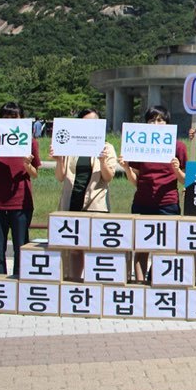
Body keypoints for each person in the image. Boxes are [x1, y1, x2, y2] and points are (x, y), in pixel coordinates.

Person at [120, 105, 188, 283]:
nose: (156, 124)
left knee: (165, 247)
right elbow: (136, 180)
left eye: (160, 120)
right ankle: (140, 282)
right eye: (151, 120)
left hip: (167, 203)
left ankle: (156, 281)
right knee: (141, 247)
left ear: (167, 123)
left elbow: (185, 180)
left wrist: (176, 170)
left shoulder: (178, 147)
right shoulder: (140, 144)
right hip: (142, 202)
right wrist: (126, 168)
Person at [0, 101, 41, 276]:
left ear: (22, 118)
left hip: (20, 202)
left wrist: (26, 164)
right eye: (6, 117)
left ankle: (19, 287)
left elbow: (35, 174)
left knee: (21, 249)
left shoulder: (30, 141)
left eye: (14, 117)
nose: (10, 120)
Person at [52, 108, 117, 279]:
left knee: (93, 247)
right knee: (75, 248)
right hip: (72, 201)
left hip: (95, 204)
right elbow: (60, 176)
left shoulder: (107, 147)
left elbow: (108, 177)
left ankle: (92, 283)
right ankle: (74, 282)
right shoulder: (70, 146)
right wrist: (59, 160)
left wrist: (103, 161)